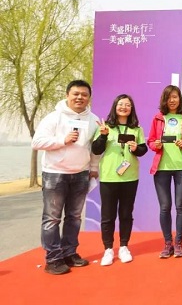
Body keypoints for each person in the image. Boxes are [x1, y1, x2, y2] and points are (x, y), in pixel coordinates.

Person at [31, 80, 100, 275]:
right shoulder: (53, 117)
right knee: (52, 218)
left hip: (81, 174)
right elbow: (37, 142)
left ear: (89, 98)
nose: (80, 98)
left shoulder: (93, 119)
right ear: (68, 95)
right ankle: (53, 258)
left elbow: (95, 148)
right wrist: (62, 140)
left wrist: (93, 168)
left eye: (84, 95)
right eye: (76, 94)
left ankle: (70, 253)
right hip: (55, 173)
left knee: (74, 217)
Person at [92, 94, 148, 266]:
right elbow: (96, 150)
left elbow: (143, 149)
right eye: (121, 104)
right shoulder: (105, 127)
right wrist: (103, 135)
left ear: (132, 109)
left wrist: (136, 148)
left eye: (128, 105)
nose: (124, 107)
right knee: (107, 215)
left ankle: (124, 246)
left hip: (130, 177)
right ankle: (108, 249)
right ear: (115, 106)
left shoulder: (136, 129)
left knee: (126, 214)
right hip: (109, 176)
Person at [147, 85, 182, 258]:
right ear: (164, 99)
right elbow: (151, 141)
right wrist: (156, 145)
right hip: (162, 168)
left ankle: (179, 243)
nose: (172, 100)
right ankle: (167, 243)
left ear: (180, 99)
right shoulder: (158, 118)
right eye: (169, 97)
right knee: (165, 207)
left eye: (175, 97)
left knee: (180, 206)